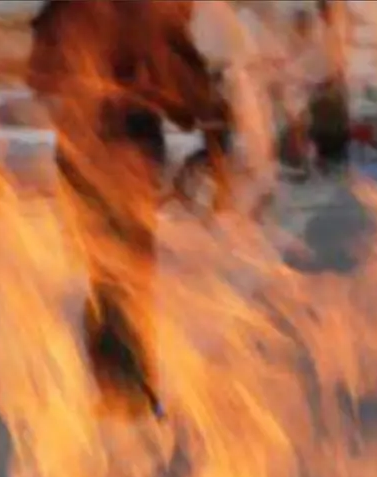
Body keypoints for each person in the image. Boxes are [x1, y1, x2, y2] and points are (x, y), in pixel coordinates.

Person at [27, 0, 227, 412]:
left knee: (112, 273)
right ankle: (123, 390)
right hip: (106, 151)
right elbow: (190, 103)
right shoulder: (142, 13)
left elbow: (39, 78)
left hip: (95, 148)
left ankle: (120, 388)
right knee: (118, 272)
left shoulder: (79, 10)